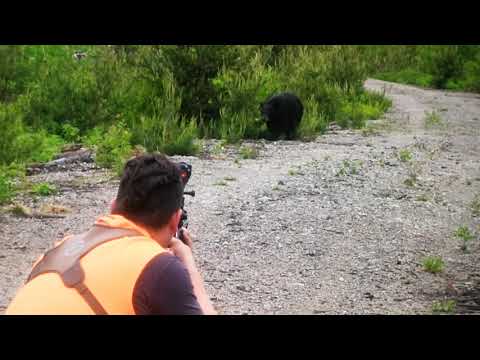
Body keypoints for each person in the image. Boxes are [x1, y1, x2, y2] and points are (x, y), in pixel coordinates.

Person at [6, 153, 217, 315]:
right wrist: (186, 260)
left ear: (112, 207)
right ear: (175, 220)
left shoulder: (57, 251)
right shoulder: (158, 265)